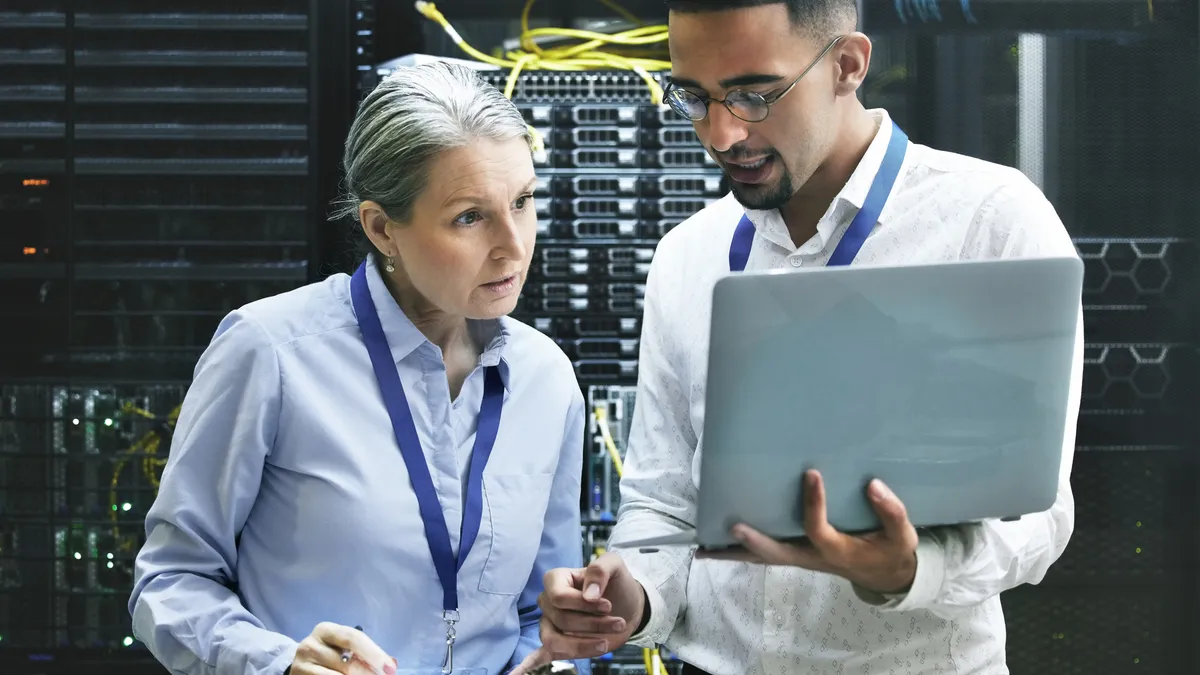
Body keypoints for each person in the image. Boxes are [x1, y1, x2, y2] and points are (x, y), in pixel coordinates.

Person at [515, 1, 1083, 674]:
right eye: (693, 97)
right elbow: (661, 502)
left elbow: (1038, 514)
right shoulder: (687, 254)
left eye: (754, 96)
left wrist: (911, 567)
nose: (721, 134)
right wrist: (628, 596)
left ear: (848, 65)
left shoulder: (989, 222)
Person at [129, 61, 588, 675]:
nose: (515, 244)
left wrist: (552, 661)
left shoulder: (547, 378)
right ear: (381, 228)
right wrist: (279, 663)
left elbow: (541, 614)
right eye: (469, 217)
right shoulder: (270, 351)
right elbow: (169, 581)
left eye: (524, 201)